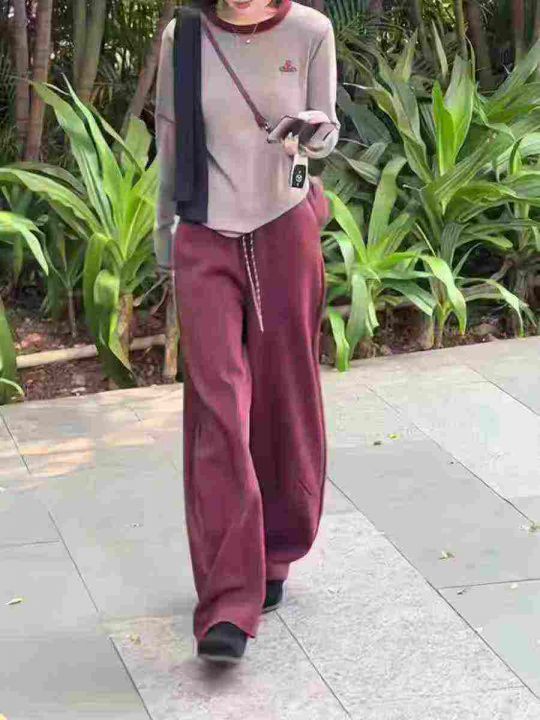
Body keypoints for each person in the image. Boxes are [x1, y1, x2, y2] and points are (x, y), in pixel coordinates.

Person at [154, 0, 339, 663]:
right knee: (218, 410)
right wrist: (165, 238)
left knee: (283, 397)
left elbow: (325, 133)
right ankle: (227, 603)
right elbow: (170, 138)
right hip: (205, 235)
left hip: (284, 228)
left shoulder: (311, 31)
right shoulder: (184, 35)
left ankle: (276, 549)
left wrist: (314, 133)